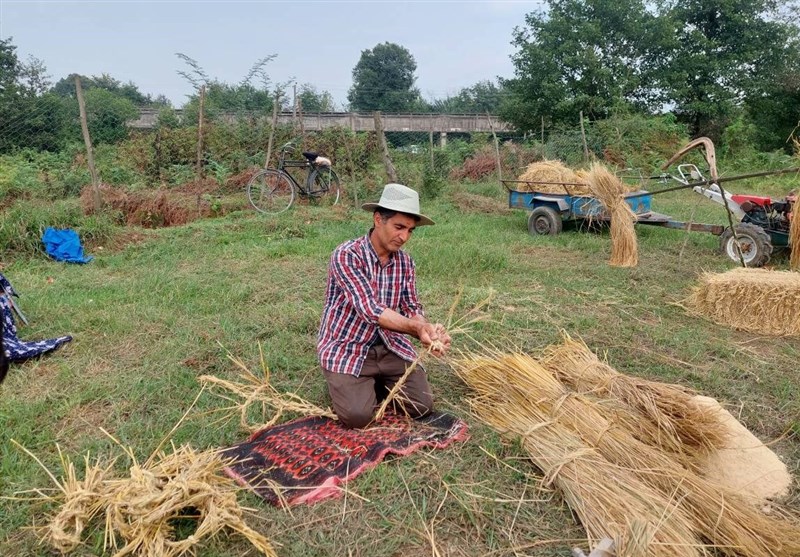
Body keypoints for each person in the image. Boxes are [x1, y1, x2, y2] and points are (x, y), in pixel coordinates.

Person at [317, 183, 451, 428]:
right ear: (378, 219)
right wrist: (414, 328)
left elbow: (412, 306)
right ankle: (346, 381)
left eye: (410, 230)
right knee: (358, 417)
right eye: (399, 227)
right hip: (348, 347)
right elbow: (369, 309)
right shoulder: (347, 255)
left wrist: (427, 329)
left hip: (390, 346)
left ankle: (372, 382)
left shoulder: (405, 262)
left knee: (422, 406)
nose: (404, 237)